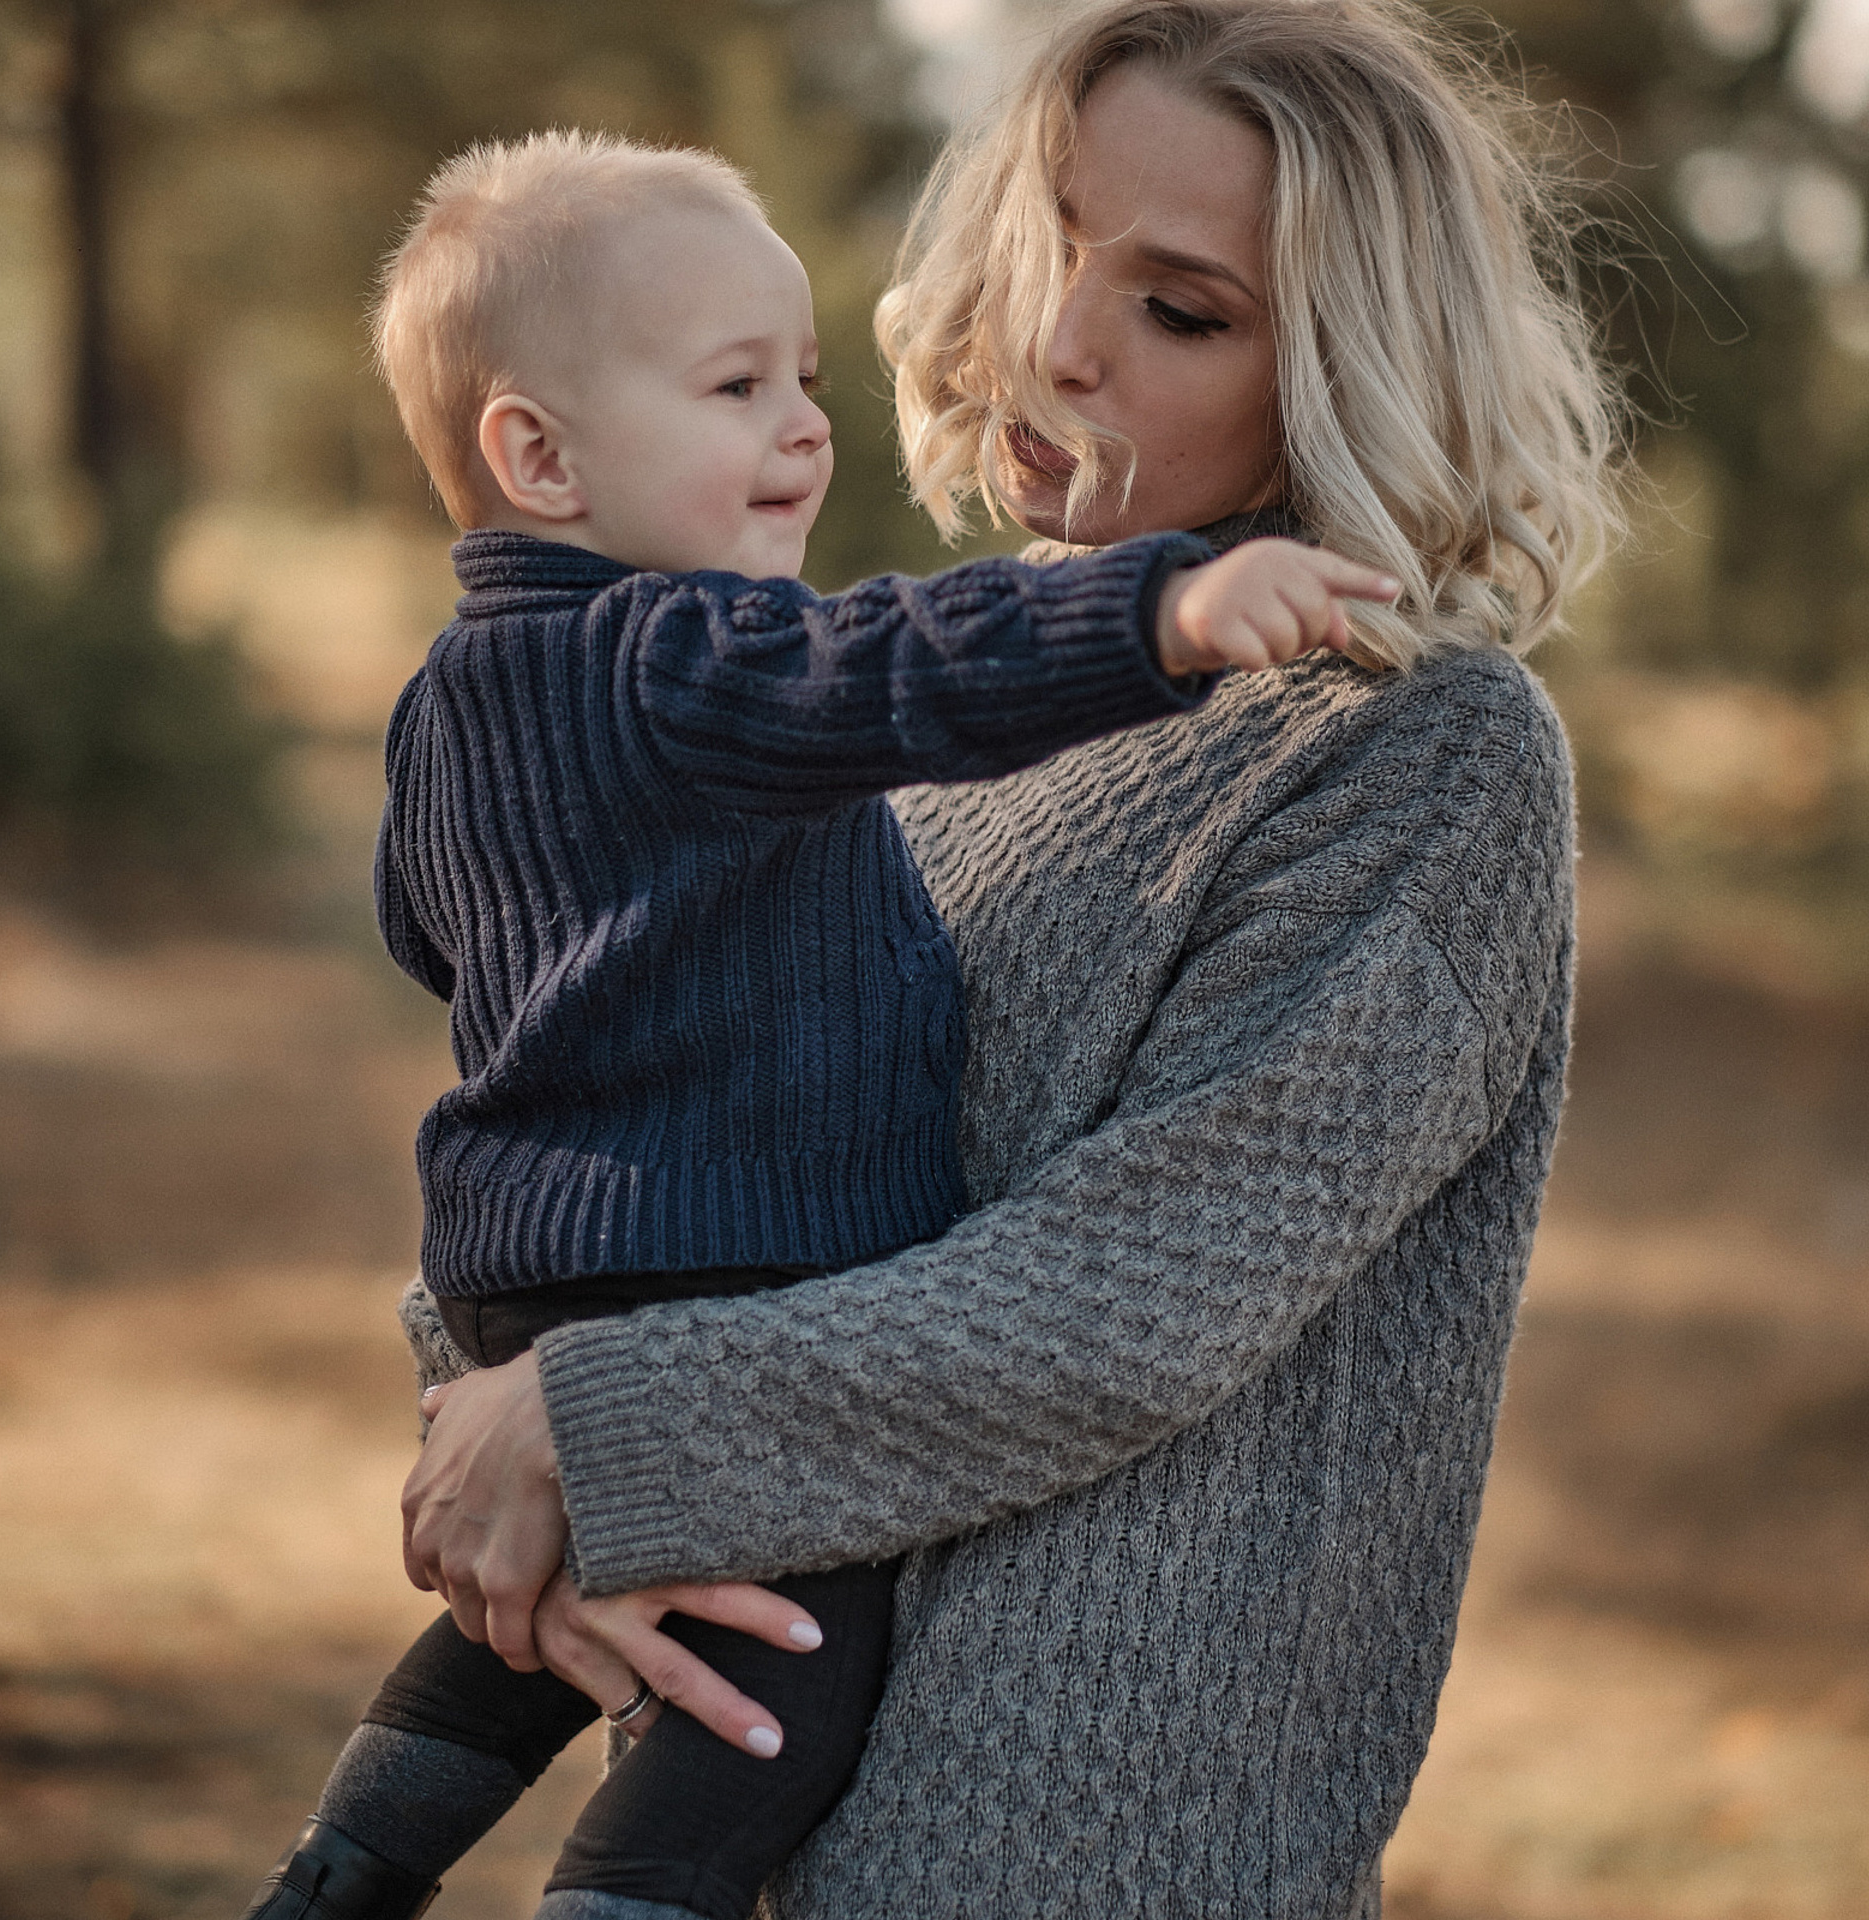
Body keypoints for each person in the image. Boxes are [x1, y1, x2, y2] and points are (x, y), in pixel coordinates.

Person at [392, 2, 1624, 1916]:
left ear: (1341, 366)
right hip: (750, 1808)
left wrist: (592, 1425)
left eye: (1185, 311)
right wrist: (486, 1409)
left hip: (1074, 1849)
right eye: (1062, 238)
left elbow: (1120, 1300)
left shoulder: (1418, 752)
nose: (1060, 342)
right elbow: (601, 1075)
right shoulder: (922, 700)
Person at [241, 126, 1396, 1920]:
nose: (807, 425)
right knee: (777, 1669)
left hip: (522, 1281)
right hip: (708, 1271)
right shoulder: (683, 658)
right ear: (537, 455)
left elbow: (441, 942)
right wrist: (1157, 612)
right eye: (735, 386)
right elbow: (902, 667)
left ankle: (341, 1871)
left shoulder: (441, 707)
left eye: (799, 373)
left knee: (524, 1648)